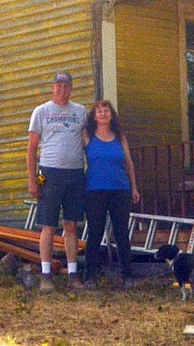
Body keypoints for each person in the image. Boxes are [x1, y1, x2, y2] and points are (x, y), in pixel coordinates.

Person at [27, 71, 88, 293]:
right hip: (50, 173)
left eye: (66, 86)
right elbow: (32, 147)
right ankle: (46, 275)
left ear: (71, 88)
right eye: (58, 85)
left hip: (75, 173)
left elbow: (88, 141)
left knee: (71, 225)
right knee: (48, 225)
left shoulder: (80, 111)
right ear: (52, 87)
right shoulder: (41, 112)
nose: (62, 89)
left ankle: (73, 274)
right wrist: (32, 179)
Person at [81, 99, 140, 288]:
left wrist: (134, 187)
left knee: (122, 233)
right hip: (94, 191)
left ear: (111, 114)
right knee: (95, 233)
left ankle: (127, 276)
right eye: (99, 111)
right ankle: (90, 276)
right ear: (94, 116)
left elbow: (129, 163)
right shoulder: (87, 136)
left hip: (120, 190)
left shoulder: (120, 137)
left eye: (106, 110)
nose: (103, 113)